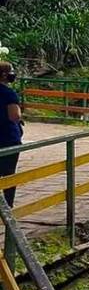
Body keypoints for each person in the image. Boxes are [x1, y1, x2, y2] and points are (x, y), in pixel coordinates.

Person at [0, 61, 23, 207]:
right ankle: (7, 207)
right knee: (9, 174)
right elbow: (14, 116)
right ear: (4, 75)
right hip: (8, 138)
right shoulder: (9, 93)